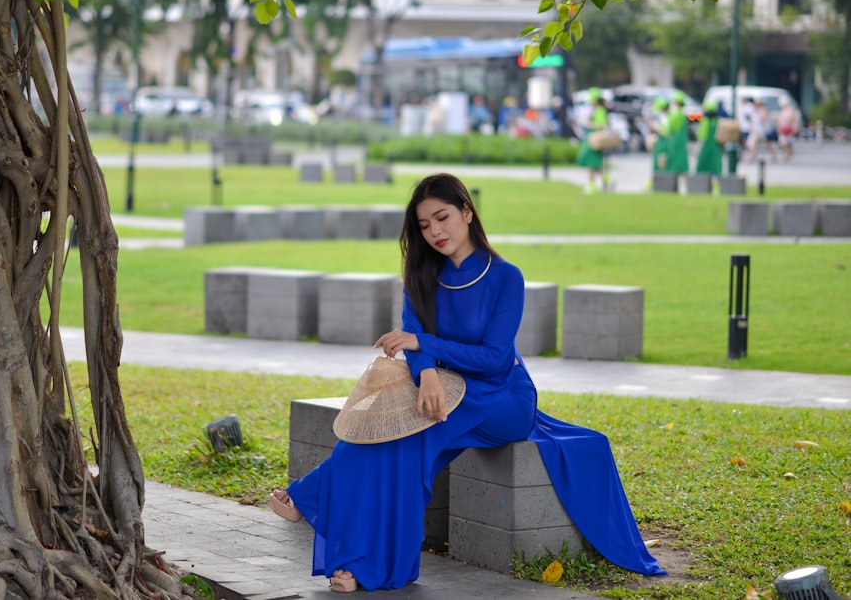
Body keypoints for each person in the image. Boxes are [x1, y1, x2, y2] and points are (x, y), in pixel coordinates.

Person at [269, 173, 665, 592]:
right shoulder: (421, 276)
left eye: (442, 217)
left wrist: (424, 344)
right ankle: (364, 562)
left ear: (467, 212)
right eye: (424, 225)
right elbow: (413, 339)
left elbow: (495, 358)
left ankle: (314, 499)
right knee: (400, 438)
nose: (435, 231)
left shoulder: (506, 277)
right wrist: (425, 375)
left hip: (503, 399)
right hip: (445, 386)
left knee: (413, 432)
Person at [575, 87, 610, 193]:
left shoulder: (600, 110)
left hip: (595, 138)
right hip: (591, 137)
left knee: (592, 162)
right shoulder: (594, 109)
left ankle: (592, 184)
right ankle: (605, 180)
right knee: (593, 162)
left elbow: (602, 125)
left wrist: (588, 123)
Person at [665, 90, 691, 179]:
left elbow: (669, 128)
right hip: (682, 143)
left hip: (675, 142)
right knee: (682, 164)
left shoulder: (674, 114)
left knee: (674, 164)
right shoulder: (682, 115)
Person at [694, 99, 723, 177]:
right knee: (715, 167)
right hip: (716, 148)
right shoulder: (717, 121)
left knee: (703, 167)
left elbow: (701, 136)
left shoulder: (705, 121)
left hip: (706, 147)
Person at [776, 96, 800, 162]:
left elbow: (793, 119)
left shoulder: (790, 110)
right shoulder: (783, 111)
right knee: (784, 142)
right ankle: (788, 152)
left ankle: (787, 153)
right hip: (783, 129)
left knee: (786, 142)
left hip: (788, 129)